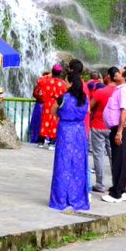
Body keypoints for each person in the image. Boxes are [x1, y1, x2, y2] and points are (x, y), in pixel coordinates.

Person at [49, 73, 91, 212]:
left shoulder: (63, 98)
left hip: (65, 131)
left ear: (71, 83)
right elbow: (88, 111)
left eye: (66, 81)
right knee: (78, 164)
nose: (65, 83)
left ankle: (60, 198)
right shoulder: (84, 98)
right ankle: (77, 197)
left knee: (62, 163)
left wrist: (63, 116)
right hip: (79, 131)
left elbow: (52, 111)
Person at [101, 67, 126, 202]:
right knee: (118, 159)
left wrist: (119, 131)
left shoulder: (124, 91)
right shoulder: (120, 89)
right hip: (118, 128)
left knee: (118, 161)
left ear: (124, 77)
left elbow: (124, 111)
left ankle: (117, 193)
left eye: (119, 72)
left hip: (120, 129)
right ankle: (121, 189)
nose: (116, 73)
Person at [89, 68, 116, 193]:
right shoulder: (120, 92)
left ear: (108, 77)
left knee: (98, 156)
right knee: (113, 156)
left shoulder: (100, 91)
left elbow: (89, 107)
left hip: (98, 126)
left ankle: (100, 184)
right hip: (113, 128)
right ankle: (116, 183)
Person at [35, 66, 69, 148]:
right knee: (54, 122)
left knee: (44, 121)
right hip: (57, 103)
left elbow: (38, 80)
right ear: (60, 73)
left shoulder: (45, 80)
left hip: (47, 103)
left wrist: (48, 75)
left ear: (52, 72)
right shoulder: (63, 83)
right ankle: (52, 142)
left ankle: (41, 141)